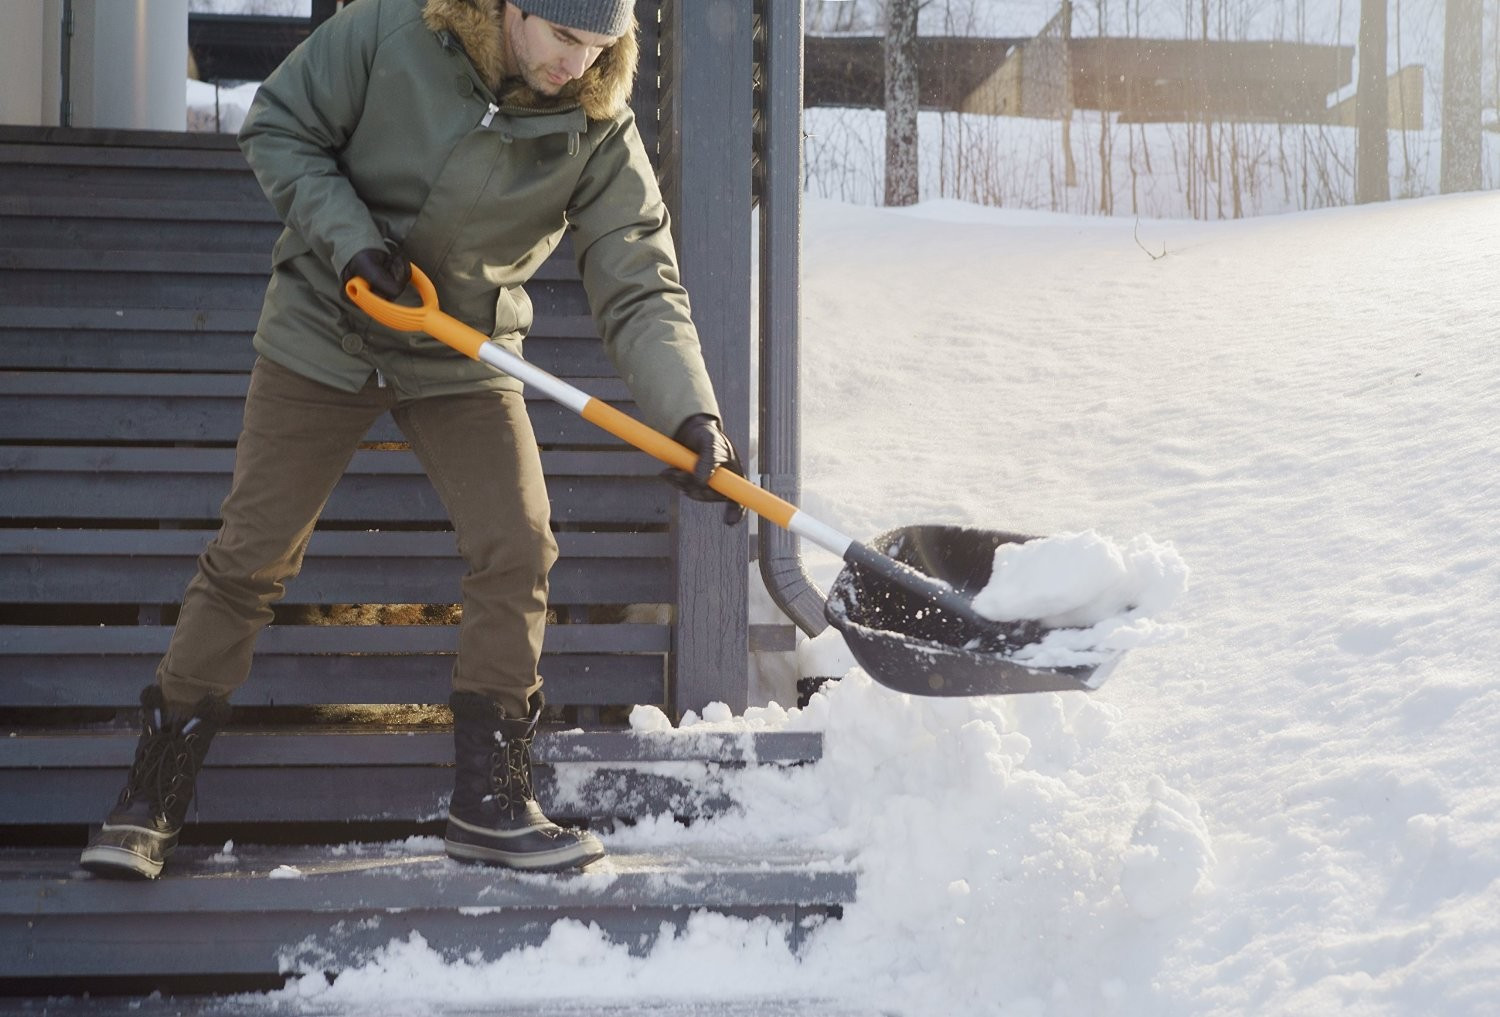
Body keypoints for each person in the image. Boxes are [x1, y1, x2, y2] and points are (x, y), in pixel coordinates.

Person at [79, 0, 745, 880]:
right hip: (330, 318)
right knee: (253, 555)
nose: (573, 66)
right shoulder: (392, 31)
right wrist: (351, 243)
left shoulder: (597, 126)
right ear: (513, 8)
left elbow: (640, 282)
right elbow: (276, 124)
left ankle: (492, 803)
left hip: (457, 346)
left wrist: (688, 416)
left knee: (518, 543)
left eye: (597, 47)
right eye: (561, 36)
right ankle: (151, 793)